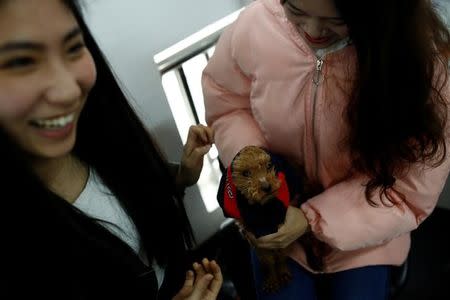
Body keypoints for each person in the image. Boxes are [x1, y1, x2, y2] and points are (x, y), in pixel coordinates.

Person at [202, 0, 450, 299]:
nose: (312, 30)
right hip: (277, 224)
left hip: (366, 237)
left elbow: (410, 189)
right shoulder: (254, 26)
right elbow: (227, 103)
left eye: (335, 20)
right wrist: (258, 166)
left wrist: (312, 219)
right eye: (296, 11)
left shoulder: (415, 59)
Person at [1, 0, 222, 299]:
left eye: (73, 47)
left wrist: (182, 175)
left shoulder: (107, 137)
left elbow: (136, 202)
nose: (68, 90)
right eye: (21, 62)